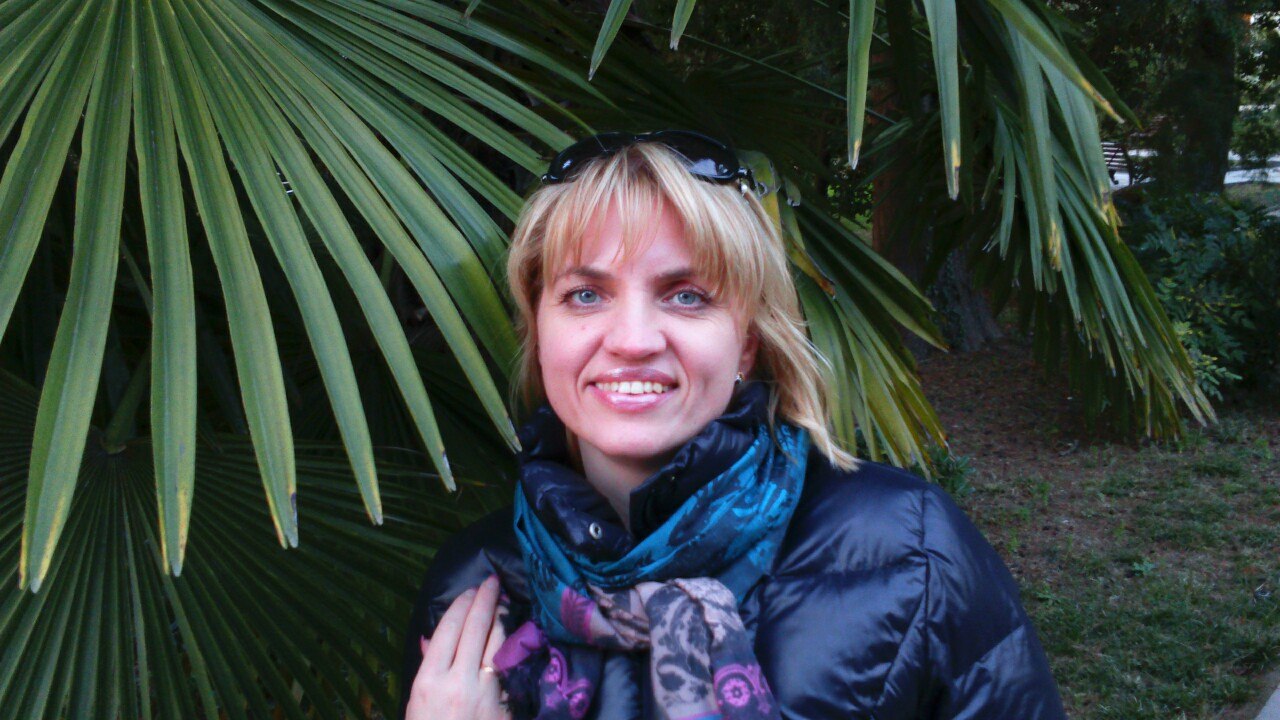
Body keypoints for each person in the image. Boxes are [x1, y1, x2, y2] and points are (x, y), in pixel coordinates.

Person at [399, 131, 1066, 720]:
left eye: (687, 296)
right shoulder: (473, 587)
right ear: (538, 328)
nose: (632, 340)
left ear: (747, 343)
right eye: (586, 295)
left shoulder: (908, 553)